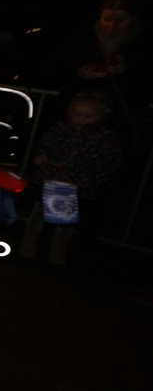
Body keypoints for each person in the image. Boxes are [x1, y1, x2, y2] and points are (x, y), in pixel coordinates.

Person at [19, 92, 121, 264]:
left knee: (65, 221)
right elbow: (44, 144)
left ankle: (57, 253)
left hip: (77, 184)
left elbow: (110, 161)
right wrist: (41, 155)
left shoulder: (105, 137)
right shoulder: (59, 128)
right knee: (39, 214)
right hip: (51, 178)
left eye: (88, 116)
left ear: (100, 116)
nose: (81, 119)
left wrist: (93, 179)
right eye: (77, 114)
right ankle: (28, 245)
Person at [45, 0, 148, 154]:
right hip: (75, 116)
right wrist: (79, 72)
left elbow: (145, 83)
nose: (112, 26)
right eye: (107, 19)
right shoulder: (82, 37)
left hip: (118, 122)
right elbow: (52, 69)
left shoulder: (143, 44)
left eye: (121, 20)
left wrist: (127, 70)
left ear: (134, 18)